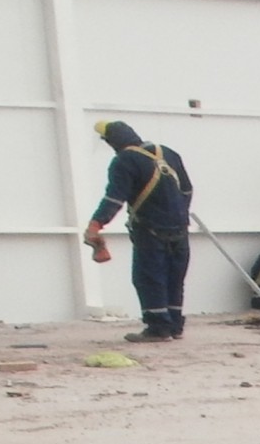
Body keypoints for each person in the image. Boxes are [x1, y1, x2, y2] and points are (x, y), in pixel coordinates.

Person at [81, 120, 194, 343]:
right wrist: (177, 216)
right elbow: (187, 190)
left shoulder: (124, 160)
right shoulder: (168, 153)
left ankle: (158, 328)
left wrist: (96, 224)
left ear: (112, 141)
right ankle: (174, 325)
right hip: (180, 229)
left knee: (148, 277)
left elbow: (114, 198)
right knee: (175, 277)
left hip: (150, 230)